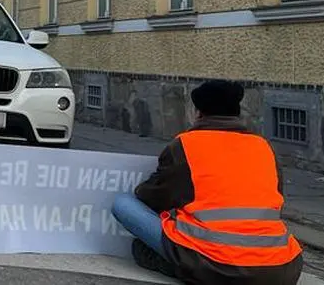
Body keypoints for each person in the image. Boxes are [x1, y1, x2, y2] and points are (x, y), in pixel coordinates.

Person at [111, 79, 303, 285]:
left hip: (216, 265)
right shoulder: (263, 147)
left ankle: (172, 263)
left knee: (123, 204)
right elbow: (276, 202)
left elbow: (153, 197)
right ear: (237, 112)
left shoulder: (185, 145)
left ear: (199, 113)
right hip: (281, 269)